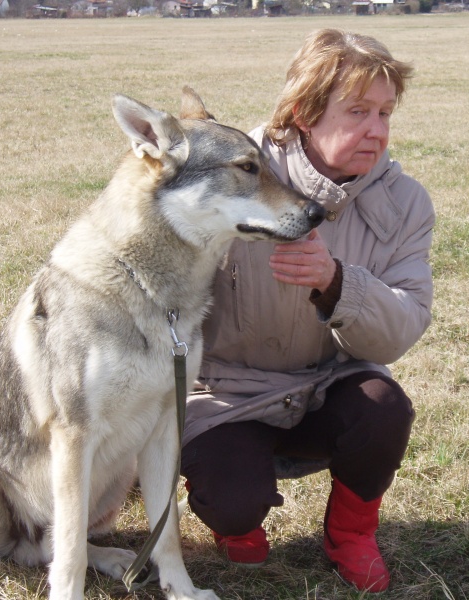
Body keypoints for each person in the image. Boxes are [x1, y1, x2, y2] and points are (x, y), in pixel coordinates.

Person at [181, 29, 435, 594]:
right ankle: (234, 518)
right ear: (304, 113)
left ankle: (351, 535)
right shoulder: (230, 174)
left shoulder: (405, 202)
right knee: (232, 503)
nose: (378, 129)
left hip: (329, 382)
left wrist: (336, 282)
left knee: (383, 407)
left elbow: (404, 323)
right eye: (358, 111)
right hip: (226, 393)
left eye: (386, 112)